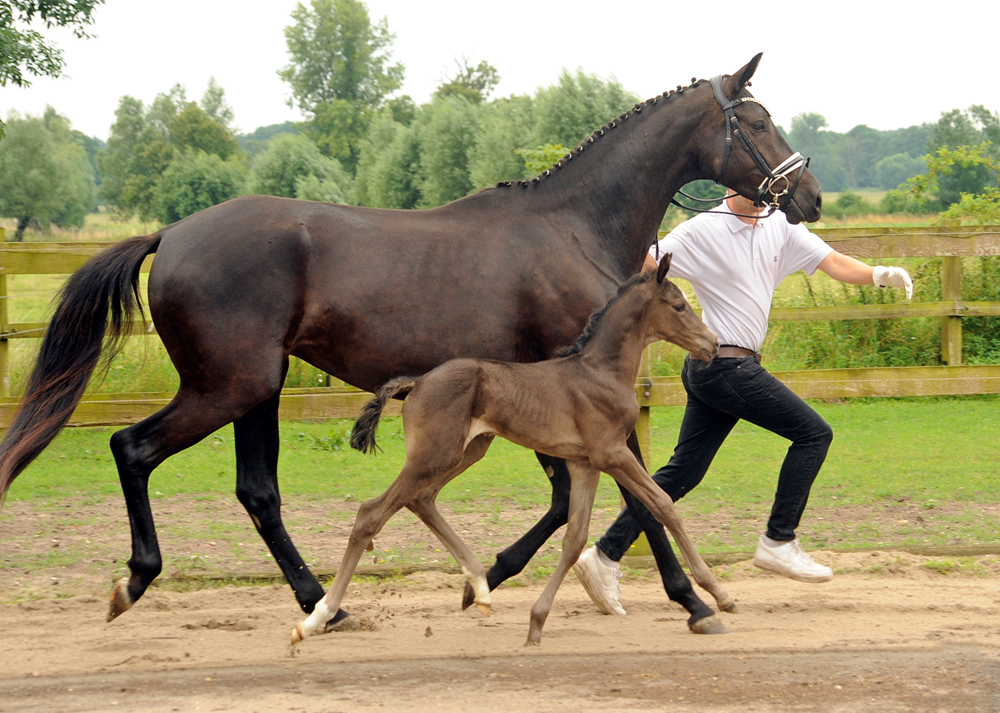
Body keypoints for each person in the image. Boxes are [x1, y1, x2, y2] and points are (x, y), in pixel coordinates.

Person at [573, 192, 913, 616]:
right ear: (730, 185)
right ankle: (779, 539)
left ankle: (604, 556)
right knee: (813, 434)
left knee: (683, 473)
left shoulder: (779, 225)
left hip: (718, 368)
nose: (759, 195)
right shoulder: (702, 229)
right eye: (748, 186)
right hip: (725, 367)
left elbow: (832, 262)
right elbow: (646, 263)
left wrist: (880, 274)